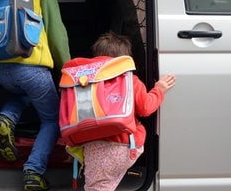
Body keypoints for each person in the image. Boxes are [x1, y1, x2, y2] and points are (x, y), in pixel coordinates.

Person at [0, 0, 71, 191]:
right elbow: (57, 35)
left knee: (22, 94)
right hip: (31, 67)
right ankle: (34, 171)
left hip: (0, 69)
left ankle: (6, 117)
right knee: (52, 118)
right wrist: (68, 70)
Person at [72, 31, 176, 191]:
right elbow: (146, 108)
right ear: (125, 61)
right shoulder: (130, 80)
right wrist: (158, 90)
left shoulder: (84, 83)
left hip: (94, 146)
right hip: (124, 145)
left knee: (97, 187)